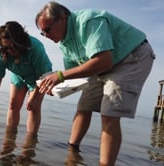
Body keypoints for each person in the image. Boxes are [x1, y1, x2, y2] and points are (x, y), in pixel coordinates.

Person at [35, 1, 155, 166]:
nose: (47, 35)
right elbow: (74, 75)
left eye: (48, 29)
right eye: (43, 33)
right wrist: (55, 85)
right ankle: (72, 154)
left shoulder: (88, 21)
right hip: (100, 66)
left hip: (131, 58)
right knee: (84, 106)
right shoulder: (64, 43)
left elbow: (103, 61)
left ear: (63, 17)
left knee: (109, 114)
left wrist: (60, 76)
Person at [0, 21, 52, 137]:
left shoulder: (36, 48)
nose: (10, 50)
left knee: (33, 107)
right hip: (18, 75)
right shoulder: (2, 53)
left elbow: (43, 75)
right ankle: (9, 138)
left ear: (20, 41)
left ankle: (30, 142)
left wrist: (34, 97)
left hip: (39, 78)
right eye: (6, 47)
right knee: (13, 104)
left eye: (13, 46)